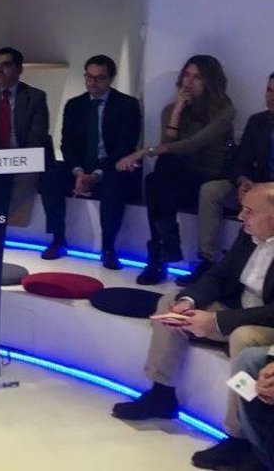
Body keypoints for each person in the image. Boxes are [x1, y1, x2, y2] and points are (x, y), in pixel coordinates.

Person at [111, 183, 274, 471]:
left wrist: (217, 322)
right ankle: (161, 394)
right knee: (170, 303)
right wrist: (189, 300)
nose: (240, 217)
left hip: (265, 322)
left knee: (244, 337)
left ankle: (239, 438)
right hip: (238, 307)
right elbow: (220, 275)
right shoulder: (250, 234)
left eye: (249, 211)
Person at [118, 54, 235, 284]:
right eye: (186, 75)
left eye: (197, 77)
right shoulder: (171, 109)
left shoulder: (224, 110)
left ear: (210, 81)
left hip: (209, 177)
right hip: (182, 176)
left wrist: (143, 152)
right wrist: (177, 112)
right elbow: (168, 147)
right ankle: (164, 247)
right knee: (155, 178)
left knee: (158, 175)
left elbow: (192, 144)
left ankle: (160, 254)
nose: (189, 82)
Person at [48, 55, 142, 269]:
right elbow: (67, 144)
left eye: (99, 78)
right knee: (51, 176)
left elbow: (125, 147)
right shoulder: (74, 105)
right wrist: (79, 172)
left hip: (111, 165)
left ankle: (108, 247)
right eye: (89, 77)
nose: (93, 82)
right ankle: (57, 239)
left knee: (114, 182)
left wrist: (96, 174)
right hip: (82, 165)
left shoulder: (127, 105)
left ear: (111, 79)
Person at [196, 73, 274, 284]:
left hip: (268, 193)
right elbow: (241, 160)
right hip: (256, 185)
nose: (271, 97)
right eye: (269, 90)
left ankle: (248, 271)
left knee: (259, 205)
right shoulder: (258, 121)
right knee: (211, 190)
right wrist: (243, 181)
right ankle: (207, 260)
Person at [0, 47, 54, 227]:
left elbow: (37, 137)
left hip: (24, 157)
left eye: (6, 65)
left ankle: (4, 221)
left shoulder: (35, 97)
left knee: (28, 178)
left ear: (19, 69)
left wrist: (16, 160)